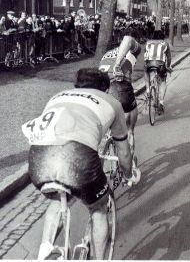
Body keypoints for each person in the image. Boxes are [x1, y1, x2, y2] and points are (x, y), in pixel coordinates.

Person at [21, 68, 141, 260]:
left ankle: (46, 249)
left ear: (78, 86)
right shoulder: (112, 103)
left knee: (57, 200)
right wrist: (128, 175)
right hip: (78, 156)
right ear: (105, 88)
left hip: (39, 157)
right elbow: (124, 152)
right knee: (99, 209)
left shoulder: (58, 96)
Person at [99, 32, 142, 157]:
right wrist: (117, 64)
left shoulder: (106, 55)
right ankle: (129, 169)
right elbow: (128, 38)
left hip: (101, 89)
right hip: (119, 88)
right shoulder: (133, 51)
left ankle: (106, 145)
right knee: (129, 130)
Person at [144, 30, 172, 112]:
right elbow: (169, 58)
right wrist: (168, 66)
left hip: (149, 64)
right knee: (163, 81)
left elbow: (145, 55)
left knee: (145, 72)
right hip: (160, 65)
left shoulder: (148, 43)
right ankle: (161, 102)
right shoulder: (165, 44)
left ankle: (148, 90)